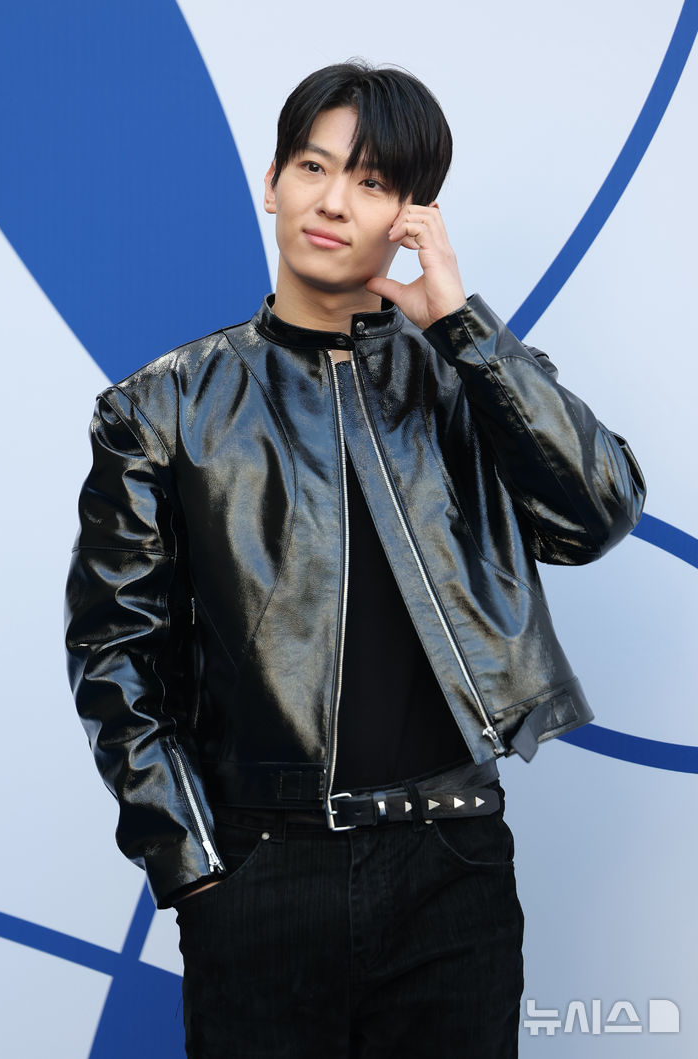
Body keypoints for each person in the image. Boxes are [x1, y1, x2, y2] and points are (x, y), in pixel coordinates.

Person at [65, 61, 646, 1058]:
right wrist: (194, 867)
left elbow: (596, 514)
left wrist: (463, 327)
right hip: (261, 870)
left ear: (412, 218)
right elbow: (115, 656)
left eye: (372, 182)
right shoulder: (160, 407)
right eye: (313, 166)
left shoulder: (467, 380)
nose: (333, 201)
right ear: (272, 182)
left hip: (453, 865)